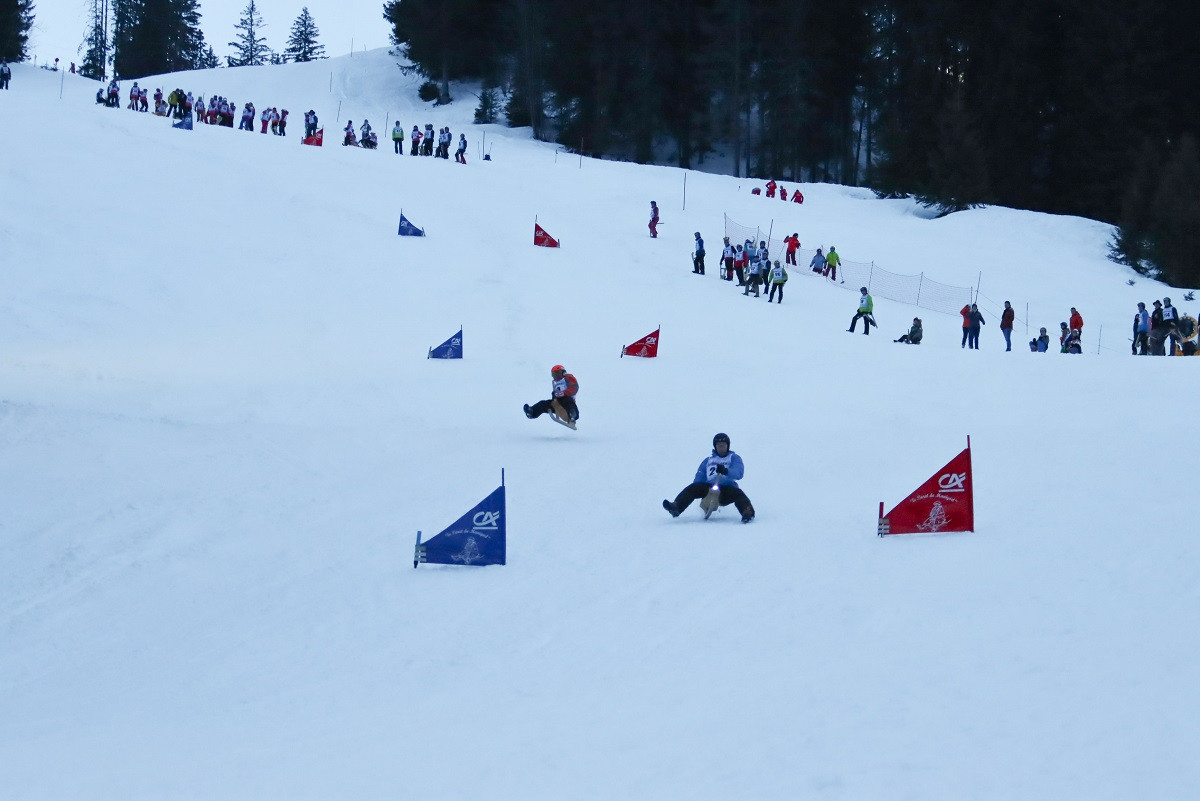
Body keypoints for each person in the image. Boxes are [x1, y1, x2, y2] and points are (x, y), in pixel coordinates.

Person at [662, 433, 755, 524]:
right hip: (709, 489)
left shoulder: (734, 458)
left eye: (723, 445)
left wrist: (726, 471)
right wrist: (697, 487)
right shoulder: (708, 460)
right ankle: (676, 507)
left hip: (726, 489)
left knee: (738, 494)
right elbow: (700, 476)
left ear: (728, 446)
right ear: (715, 447)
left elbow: (739, 472)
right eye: (719, 445)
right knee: (692, 488)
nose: (721, 448)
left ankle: (747, 511)